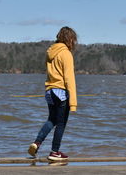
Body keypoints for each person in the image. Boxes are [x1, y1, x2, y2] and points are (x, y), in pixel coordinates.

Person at [28, 26, 78, 161]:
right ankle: (55, 152)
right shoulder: (66, 54)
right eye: (73, 40)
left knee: (52, 120)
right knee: (61, 123)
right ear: (70, 39)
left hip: (49, 91)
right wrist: (73, 103)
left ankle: (36, 143)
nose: (74, 43)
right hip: (61, 92)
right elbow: (69, 78)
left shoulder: (50, 52)